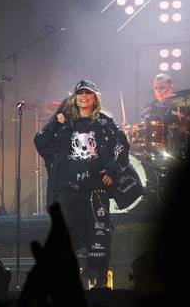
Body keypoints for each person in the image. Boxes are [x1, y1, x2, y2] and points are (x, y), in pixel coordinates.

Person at [34, 79, 130, 288]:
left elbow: (122, 146)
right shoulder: (65, 124)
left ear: (95, 98)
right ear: (75, 98)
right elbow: (40, 142)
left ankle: (101, 284)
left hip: (96, 191)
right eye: (80, 93)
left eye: (88, 93)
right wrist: (55, 122)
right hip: (67, 191)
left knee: (99, 236)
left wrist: (113, 170)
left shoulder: (105, 123)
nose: (84, 96)